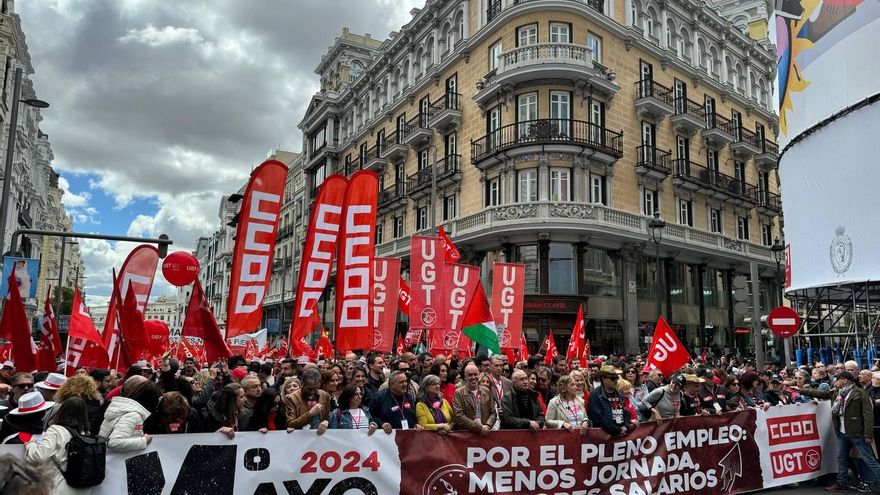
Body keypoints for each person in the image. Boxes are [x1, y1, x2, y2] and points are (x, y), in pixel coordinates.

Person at [799, 371, 880, 492]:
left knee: (868, 458)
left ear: (845, 380)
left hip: (856, 432)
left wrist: (868, 433)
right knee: (841, 458)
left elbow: (868, 414)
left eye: (837, 379)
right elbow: (820, 393)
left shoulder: (860, 393)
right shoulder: (837, 392)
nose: (835, 381)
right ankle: (842, 482)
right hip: (842, 432)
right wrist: (801, 390)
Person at [25, 397, 92, 495]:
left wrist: (31, 445)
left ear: (62, 411)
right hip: (82, 487)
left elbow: (39, 456)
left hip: (59, 485)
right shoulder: (86, 433)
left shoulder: (56, 430)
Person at [99, 377, 158, 452]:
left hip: (110, 457)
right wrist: (144, 440)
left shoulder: (124, 408)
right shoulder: (133, 415)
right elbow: (113, 442)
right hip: (116, 459)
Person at [588, 365, 634, 436]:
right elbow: (598, 418)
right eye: (612, 378)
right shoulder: (595, 395)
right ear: (603, 379)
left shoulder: (619, 394)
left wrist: (626, 426)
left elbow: (626, 412)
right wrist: (616, 430)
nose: (616, 381)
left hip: (621, 434)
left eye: (617, 378)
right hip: (604, 436)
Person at [452, 363, 496, 434]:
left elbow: (493, 412)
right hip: (467, 435)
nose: (473, 377)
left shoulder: (486, 391)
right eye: (470, 375)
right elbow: (459, 416)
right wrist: (479, 428)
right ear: (465, 377)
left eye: (475, 374)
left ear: (479, 375)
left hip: (485, 433)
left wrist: (487, 426)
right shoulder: (458, 393)